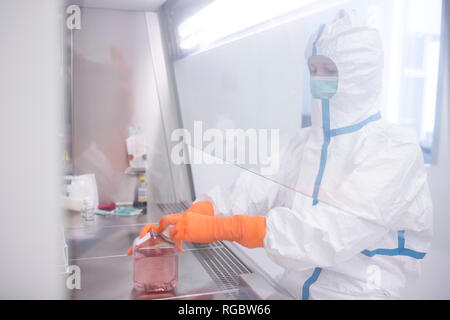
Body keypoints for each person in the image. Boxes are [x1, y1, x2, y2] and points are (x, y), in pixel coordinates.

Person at [129, 10, 433, 299]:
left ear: (360, 76)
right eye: (313, 69)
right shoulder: (303, 143)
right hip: (291, 288)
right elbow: (254, 189)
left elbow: (333, 228)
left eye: (329, 70)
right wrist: (203, 210)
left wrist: (230, 227)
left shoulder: (394, 150)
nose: (318, 78)